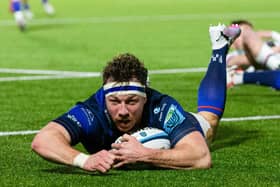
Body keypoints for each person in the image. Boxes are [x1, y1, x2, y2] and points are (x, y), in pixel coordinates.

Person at [31, 24, 241, 172]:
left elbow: (201, 156)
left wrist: (144, 155)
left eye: (131, 101)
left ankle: (219, 47)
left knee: (210, 124)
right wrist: (84, 160)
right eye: (114, 102)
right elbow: (43, 140)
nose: (122, 111)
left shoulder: (161, 106)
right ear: (105, 98)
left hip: (164, 127)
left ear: (145, 97)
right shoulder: (92, 110)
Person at [226, 20, 280, 89]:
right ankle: (276, 64)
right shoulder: (233, 55)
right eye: (239, 33)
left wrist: (273, 34)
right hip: (270, 70)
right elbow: (232, 62)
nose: (243, 35)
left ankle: (276, 64)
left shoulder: (271, 44)